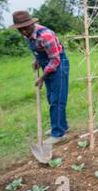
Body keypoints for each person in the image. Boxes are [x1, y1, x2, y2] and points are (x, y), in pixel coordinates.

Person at [10, 11, 70, 144]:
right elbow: (40, 50)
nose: (24, 32)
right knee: (51, 97)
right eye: (21, 29)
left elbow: (55, 60)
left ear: (32, 24)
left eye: (26, 28)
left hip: (58, 66)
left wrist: (42, 77)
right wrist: (36, 60)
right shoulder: (28, 34)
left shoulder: (45, 35)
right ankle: (61, 126)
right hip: (47, 65)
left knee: (57, 100)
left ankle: (59, 134)